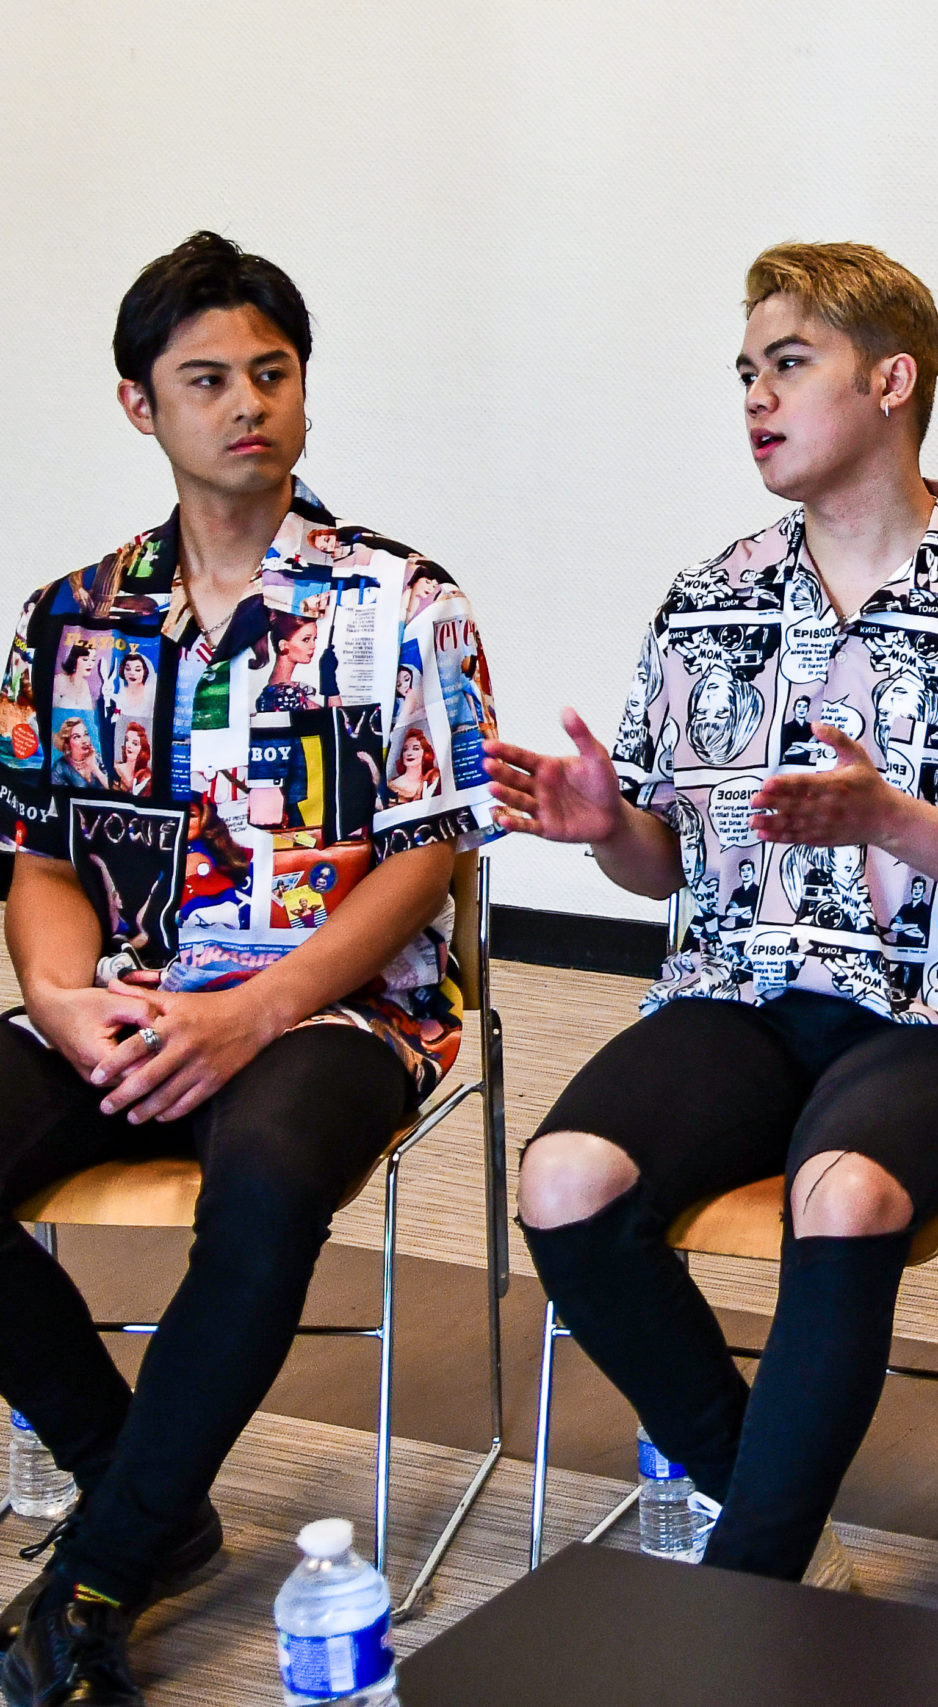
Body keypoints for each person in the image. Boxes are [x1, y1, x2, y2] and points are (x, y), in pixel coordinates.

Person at [485, 241, 938, 1584]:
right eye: (745, 371)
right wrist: (608, 828)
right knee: (562, 1182)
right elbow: (665, 872)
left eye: (789, 364)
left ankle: (749, 1590)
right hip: (740, 994)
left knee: (838, 1198)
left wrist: (897, 821)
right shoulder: (707, 600)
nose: (755, 397)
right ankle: (772, 1521)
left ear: (892, 382)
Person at [0, 232, 503, 1706]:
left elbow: (429, 856)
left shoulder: (403, 601)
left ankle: (102, 1572)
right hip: (125, 999)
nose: (247, 406)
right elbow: (39, 856)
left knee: (269, 1184)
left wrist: (252, 1014)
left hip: (336, 1010)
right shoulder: (71, 616)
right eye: (208, 379)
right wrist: (62, 1003)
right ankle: (140, 1488)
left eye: (271, 375)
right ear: (138, 404)